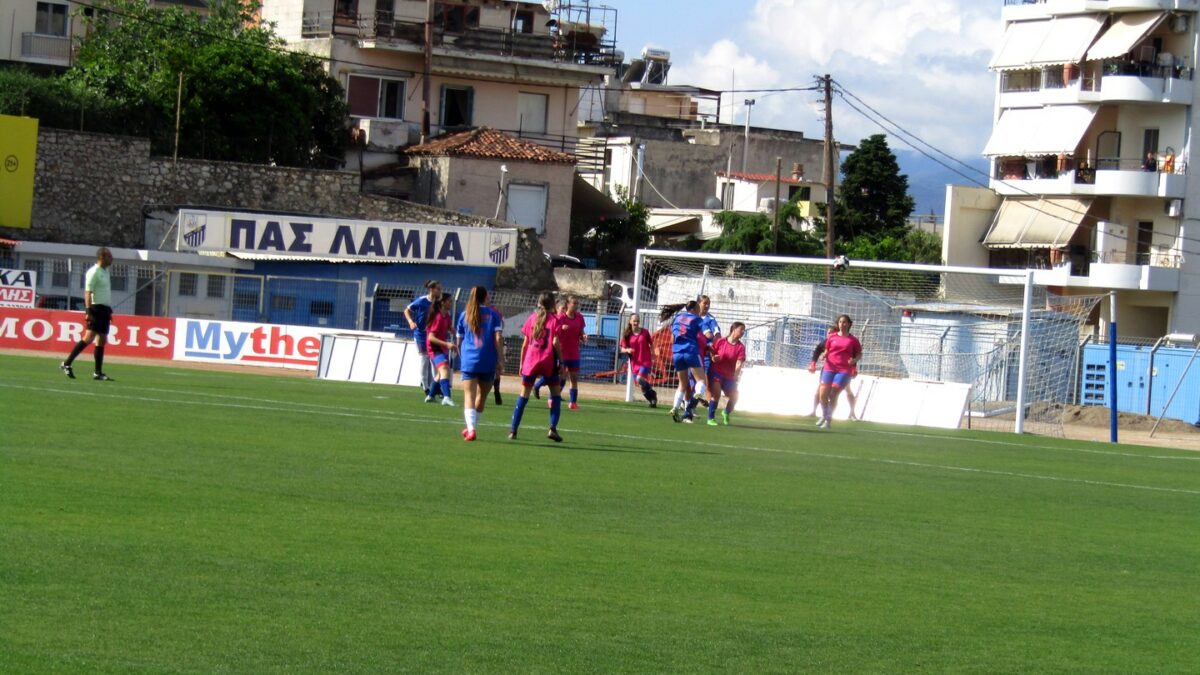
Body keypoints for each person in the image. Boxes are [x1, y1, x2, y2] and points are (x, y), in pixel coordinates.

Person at [509, 291, 564, 442]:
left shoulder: (532, 318)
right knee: (556, 395)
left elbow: (525, 344)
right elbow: (555, 342)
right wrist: (561, 361)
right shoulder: (555, 320)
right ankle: (552, 428)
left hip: (531, 361)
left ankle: (513, 430)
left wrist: (521, 363)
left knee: (523, 396)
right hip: (548, 361)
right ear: (553, 304)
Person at [455, 286, 504, 441]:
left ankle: (471, 429)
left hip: (469, 359)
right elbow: (498, 338)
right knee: (481, 396)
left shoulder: (464, 315)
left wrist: (463, 357)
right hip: (488, 359)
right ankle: (471, 428)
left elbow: (458, 341)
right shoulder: (494, 315)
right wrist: (500, 359)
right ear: (485, 296)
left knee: (469, 395)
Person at [61, 247, 116, 381]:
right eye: (109, 256)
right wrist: (88, 311)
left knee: (102, 339)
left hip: (104, 309)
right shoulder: (94, 272)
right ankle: (67, 363)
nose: (112, 259)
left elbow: (104, 292)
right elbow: (88, 292)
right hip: (96, 308)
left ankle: (97, 372)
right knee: (89, 337)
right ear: (102, 257)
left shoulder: (105, 272)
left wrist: (108, 311)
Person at [815, 314, 862, 429]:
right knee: (822, 395)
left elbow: (859, 354)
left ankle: (828, 419)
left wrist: (854, 360)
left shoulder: (853, 340)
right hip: (829, 368)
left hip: (844, 370)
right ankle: (825, 415)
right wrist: (824, 355)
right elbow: (827, 350)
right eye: (840, 322)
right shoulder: (832, 337)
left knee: (833, 394)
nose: (842, 324)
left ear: (849, 324)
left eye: (844, 322)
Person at [663, 300, 707, 423]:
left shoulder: (677, 317)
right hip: (691, 351)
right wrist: (710, 339)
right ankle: (698, 394)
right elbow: (707, 334)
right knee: (701, 380)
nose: (699, 310)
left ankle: (675, 407)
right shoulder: (697, 319)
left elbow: (672, 339)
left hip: (677, 353)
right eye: (698, 308)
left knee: (682, 384)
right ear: (693, 309)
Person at [808, 326, 858, 420]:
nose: (829, 334)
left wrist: (853, 368)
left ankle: (852, 413)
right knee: (820, 390)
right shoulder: (825, 342)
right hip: (828, 370)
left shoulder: (844, 342)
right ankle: (814, 411)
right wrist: (813, 364)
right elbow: (817, 351)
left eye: (831, 332)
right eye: (828, 332)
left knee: (846, 390)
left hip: (843, 370)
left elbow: (853, 355)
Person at [404, 280, 442, 402]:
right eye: (438, 289)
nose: (439, 291)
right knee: (424, 359)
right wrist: (411, 322)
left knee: (435, 361)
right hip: (421, 334)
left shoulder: (438, 303)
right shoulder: (421, 301)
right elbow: (407, 310)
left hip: (432, 335)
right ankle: (426, 387)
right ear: (431, 289)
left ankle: (436, 387)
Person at [707, 321, 746, 426]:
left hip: (729, 376)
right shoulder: (721, 341)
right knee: (716, 394)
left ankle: (726, 412)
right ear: (734, 329)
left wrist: (735, 375)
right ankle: (710, 418)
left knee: (735, 396)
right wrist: (713, 357)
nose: (743, 332)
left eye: (744, 330)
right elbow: (712, 352)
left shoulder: (741, 347)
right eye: (741, 329)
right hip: (716, 372)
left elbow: (739, 363)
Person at [554, 294, 587, 409]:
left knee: (574, 377)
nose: (576, 306)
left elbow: (581, 332)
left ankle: (573, 402)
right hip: (562, 352)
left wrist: (583, 336)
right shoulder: (561, 318)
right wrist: (561, 327)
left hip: (574, 352)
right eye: (574, 303)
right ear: (568, 304)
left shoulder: (580, 317)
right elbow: (554, 332)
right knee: (561, 376)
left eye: (577, 303)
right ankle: (552, 398)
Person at [620, 313, 657, 407]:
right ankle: (652, 400)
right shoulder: (627, 335)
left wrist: (653, 353)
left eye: (637, 321)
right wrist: (627, 350)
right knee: (641, 386)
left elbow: (652, 343)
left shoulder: (645, 332)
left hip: (645, 360)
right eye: (634, 321)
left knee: (639, 379)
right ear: (630, 321)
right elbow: (622, 349)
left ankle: (653, 393)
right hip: (635, 363)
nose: (636, 323)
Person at [533, 296, 567, 399]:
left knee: (561, 375)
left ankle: (554, 395)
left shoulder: (562, 319)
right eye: (563, 308)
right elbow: (554, 338)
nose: (564, 311)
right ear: (556, 308)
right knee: (554, 375)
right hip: (553, 351)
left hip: (562, 350)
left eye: (565, 309)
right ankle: (541, 388)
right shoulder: (554, 319)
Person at [425, 294, 456, 407]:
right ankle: (447, 397)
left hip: (441, 347)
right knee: (444, 369)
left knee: (440, 373)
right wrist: (447, 344)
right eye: (449, 301)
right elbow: (431, 337)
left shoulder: (446, 315)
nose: (451, 303)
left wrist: (454, 332)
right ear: (442, 302)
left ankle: (431, 396)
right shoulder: (438, 317)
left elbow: (449, 327)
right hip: (434, 347)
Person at [694, 294, 721, 405]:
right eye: (704, 303)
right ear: (698, 304)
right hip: (692, 352)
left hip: (705, 354)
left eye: (708, 304)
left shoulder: (710, 320)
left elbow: (717, 335)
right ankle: (688, 403)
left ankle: (708, 404)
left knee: (706, 379)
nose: (707, 306)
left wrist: (712, 347)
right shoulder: (692, 317)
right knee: (690, 379)